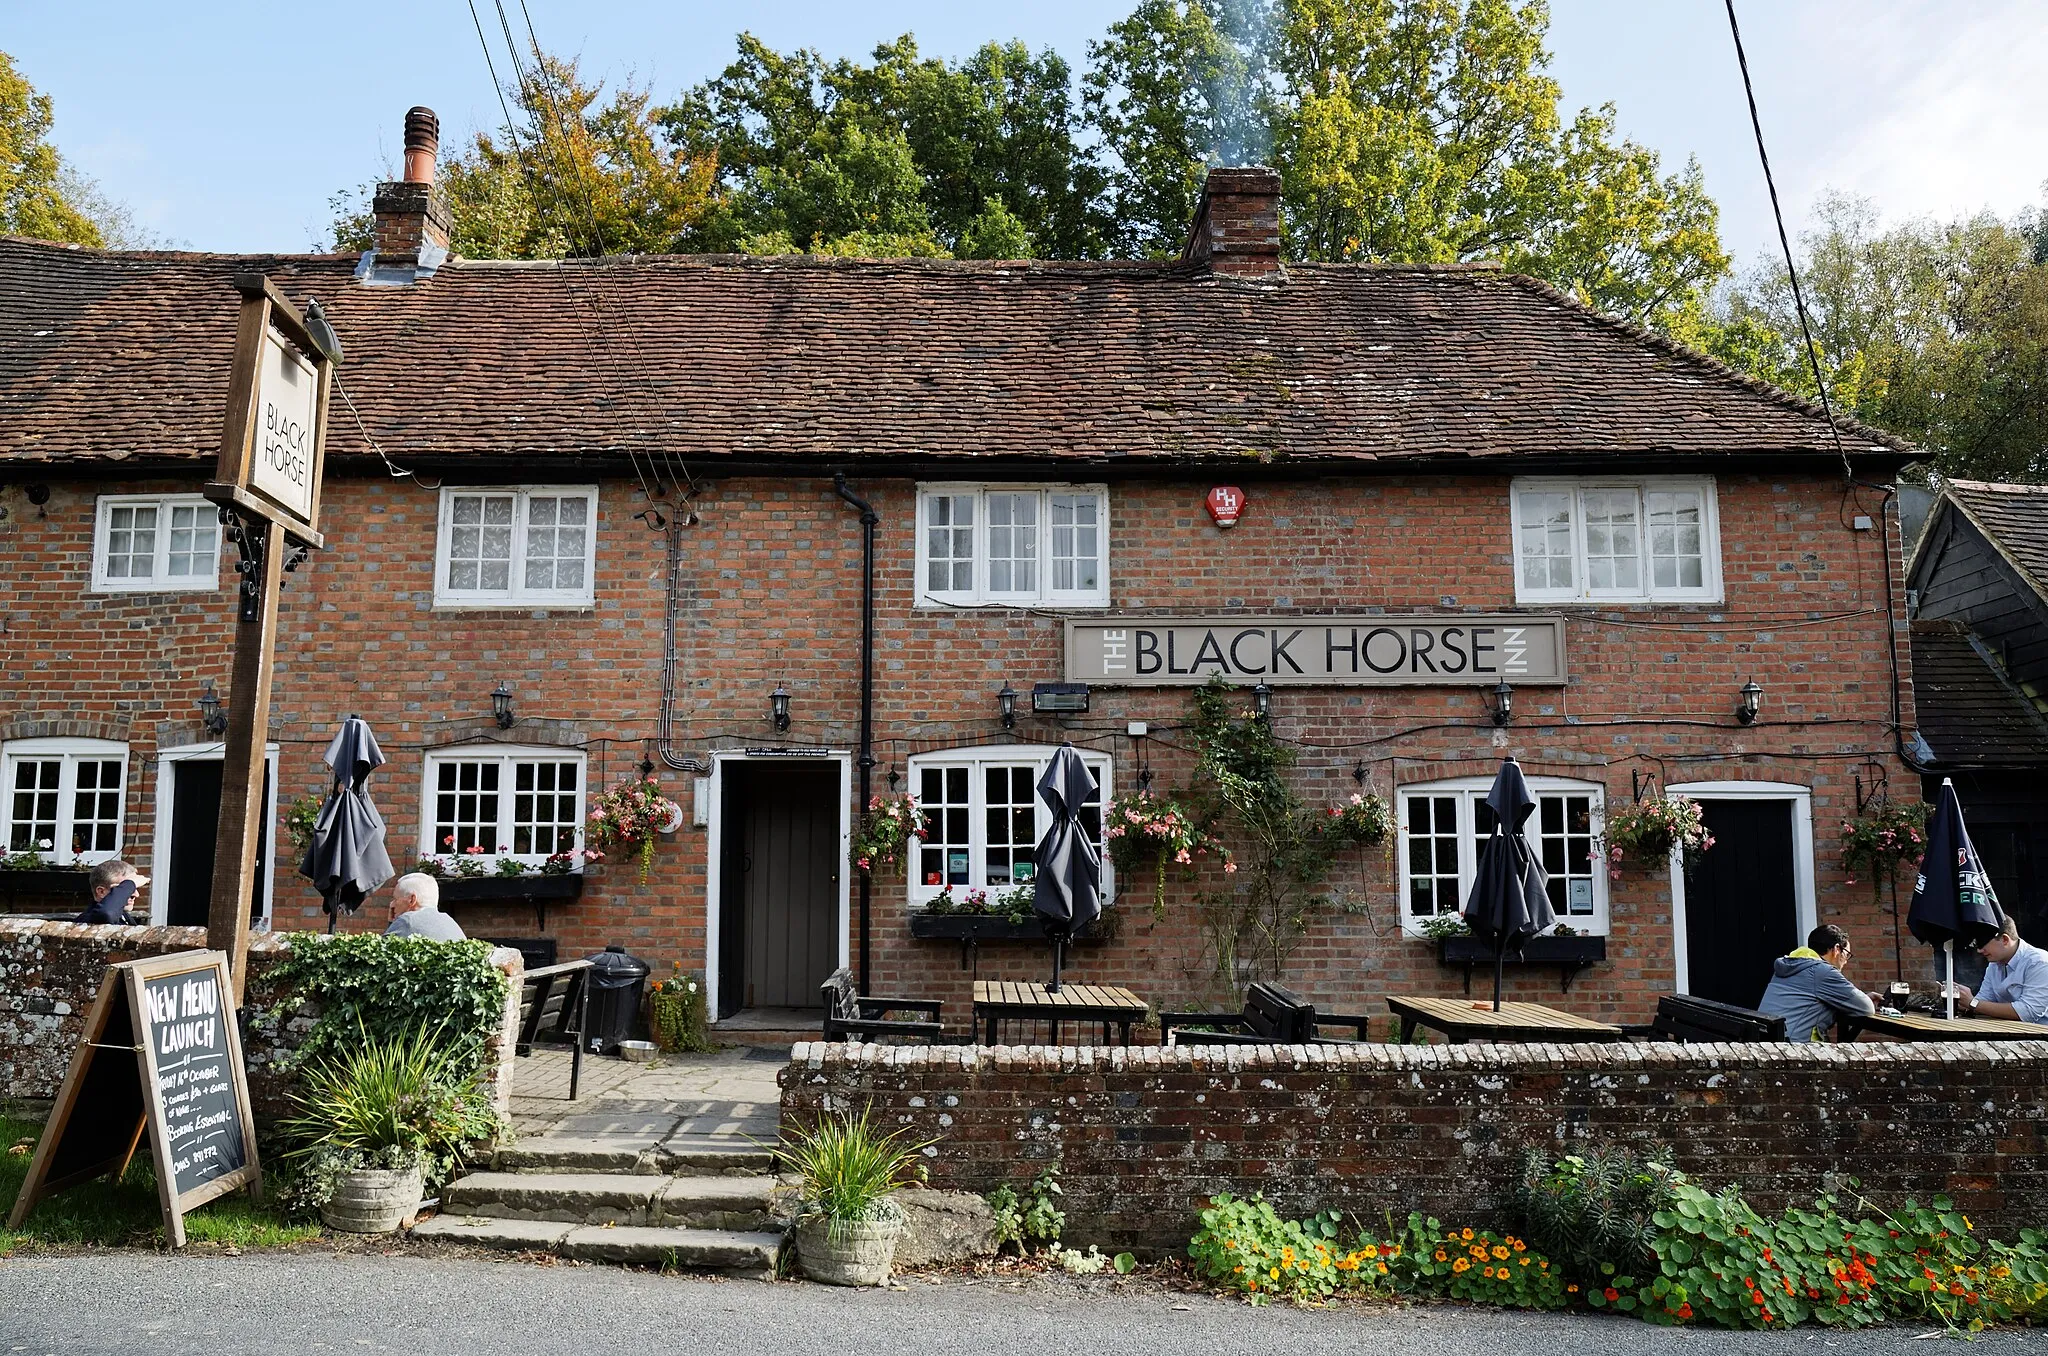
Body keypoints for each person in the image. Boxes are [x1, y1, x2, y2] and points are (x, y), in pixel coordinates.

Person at [1757, 923, 1877, 1041]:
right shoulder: (1823, 972)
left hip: (1766, 1044)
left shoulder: (1790, 965)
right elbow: (1866, 1008)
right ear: (1836, 949)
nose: (1846, 961)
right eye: (1847, 954)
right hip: (1792, 1050)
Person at [1948, 916, 2048, 1025]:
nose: (1979, 950)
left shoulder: (2039, 962)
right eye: (1976, 944)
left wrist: (1972, 1003)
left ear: (2005, 940)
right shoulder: (1994, 964)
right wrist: (1961, 1000)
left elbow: (2028, 1012)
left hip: (2040, 1037)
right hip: (2008, 1031)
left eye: (1982, 943)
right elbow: (1984, 1001)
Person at [382, 872, 466, 940]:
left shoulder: (407, 921)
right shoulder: (449, 921)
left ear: (412, 899)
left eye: (396, 899)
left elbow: (381, 954)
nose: (392, 904)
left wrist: (392, 923)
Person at [73, 859, 147, 925]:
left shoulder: (124, 916)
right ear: (101, 892)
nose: (136, 895)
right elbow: (107, 913)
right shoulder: (91, 917)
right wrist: (130, 883)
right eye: (122, 887)